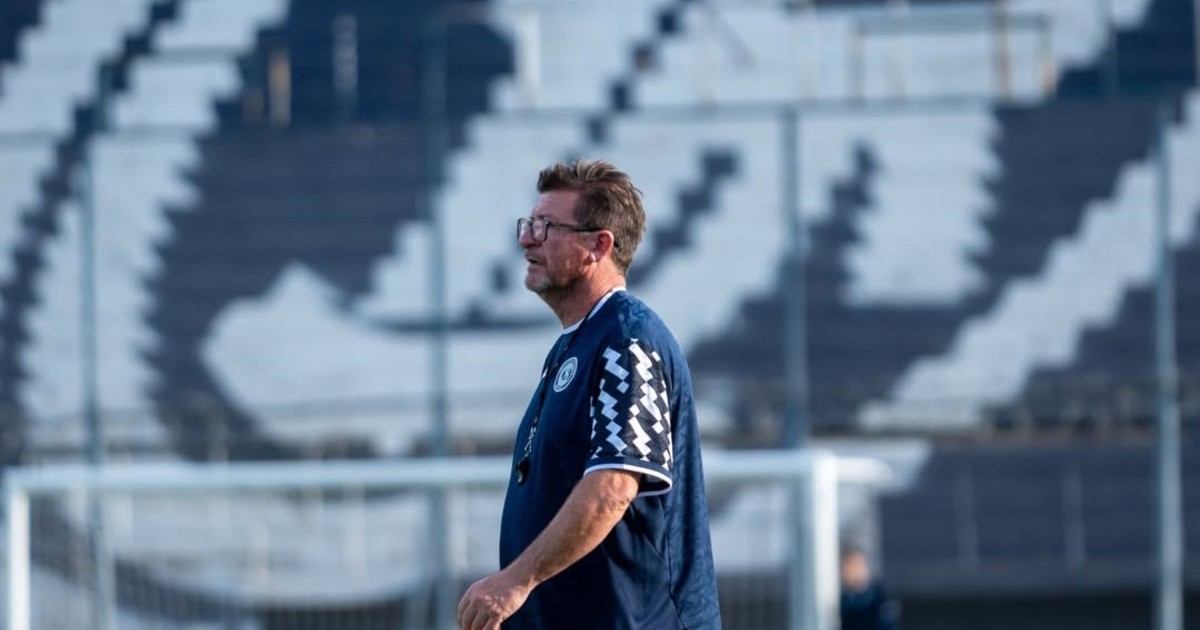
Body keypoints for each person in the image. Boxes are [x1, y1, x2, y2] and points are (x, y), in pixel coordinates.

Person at [455, 159, 722, 630]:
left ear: (598, 245)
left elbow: (613, 487)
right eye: (529, 224)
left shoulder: (627, 339)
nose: (527, 239)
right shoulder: (576, 345)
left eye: (546, 226)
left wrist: (515, 581)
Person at [839, 547, 900, 630]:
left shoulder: (880, 601)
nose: (852, 571)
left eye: (856, 566)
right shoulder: (843, 602)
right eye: (848, 567)